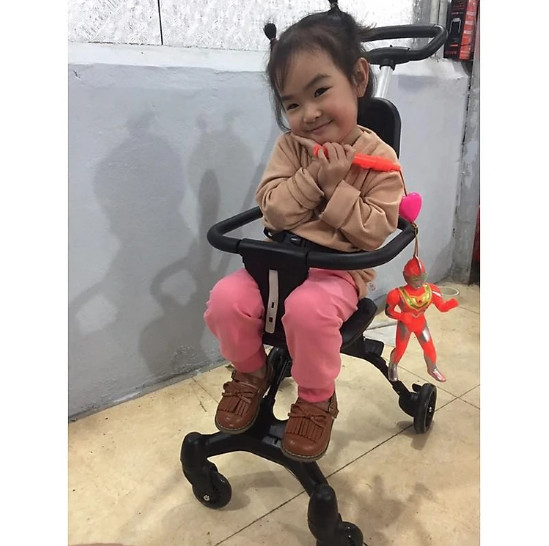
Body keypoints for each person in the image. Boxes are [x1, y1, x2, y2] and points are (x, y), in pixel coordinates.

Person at [204, 0, 405, 462]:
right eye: (293, 104)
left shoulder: (380, 159)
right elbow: (273, 211)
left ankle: (316, 398)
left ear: (358, 79)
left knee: (308, 312)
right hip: (275, 265)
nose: (309, 113)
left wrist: (336, 191)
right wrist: (314, 178)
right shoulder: (290, 148)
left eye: (320, 92)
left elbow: (374, 232)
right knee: (225, 301)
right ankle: (251, 373)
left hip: (338, 274)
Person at [385, 256, 459, 383]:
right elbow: (389, 311)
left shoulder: (432, 290)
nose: (419, 282)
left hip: (421, 323)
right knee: (400, 349)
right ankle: (393, 365)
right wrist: (401, 316)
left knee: (429, 348)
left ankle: (432, 368)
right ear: (406, 277)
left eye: (422, 278)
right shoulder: (396, 294)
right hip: (405, 325)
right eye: (415, 279)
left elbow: (441, 307)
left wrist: (452, 303)